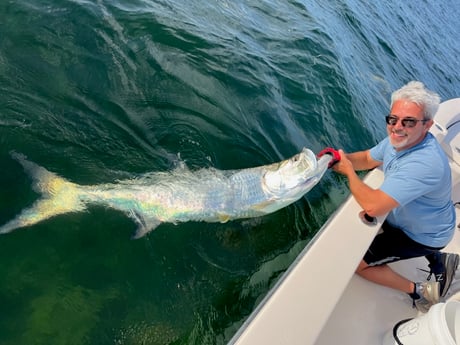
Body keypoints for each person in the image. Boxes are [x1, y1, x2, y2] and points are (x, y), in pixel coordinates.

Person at [332, 81, 459, 311]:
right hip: (432, 219)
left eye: (408, 121)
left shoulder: (424, 163)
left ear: (427, 125)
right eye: (393, 119)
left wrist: (349, 173)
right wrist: (340, 160)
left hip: (422, 235)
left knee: (358, 264)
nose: (397, 127)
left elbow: (372, 207)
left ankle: (421, 291)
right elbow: (369, 158)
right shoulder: (399, 140)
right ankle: (440, 260)